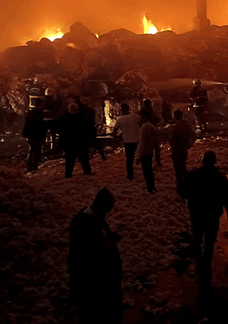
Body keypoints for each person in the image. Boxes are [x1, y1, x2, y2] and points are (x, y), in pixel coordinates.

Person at [180, 151, 228, 290]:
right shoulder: (221, 177)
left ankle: (199, 266)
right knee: (209, 242)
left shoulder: (193, 175)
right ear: (214, 161)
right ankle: (207, 267)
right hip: (213, 214)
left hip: (197, 213)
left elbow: (183, 192)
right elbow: (226, 196)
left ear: (203, 160)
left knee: (197, 239)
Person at [68, 188, 123, 323]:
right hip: (94, 288)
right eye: (108, 209)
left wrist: (111, 236)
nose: (108, 213)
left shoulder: (96, 219)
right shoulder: (84, 225)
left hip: (104, 283)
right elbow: (84, 259)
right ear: (100, 205)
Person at [58, 103, 93, 178]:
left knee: (70, 159)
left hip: (69, 143)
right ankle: (87, 171)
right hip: (81, 142)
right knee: (84, 158)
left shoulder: (64, 119)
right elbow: (87, 131)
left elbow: (60, 131)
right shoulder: (82, 119)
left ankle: (68, 173)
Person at [169, 109, 196, 194]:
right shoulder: (187, 125)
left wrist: (172, 151)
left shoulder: (175, 127)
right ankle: (187, 184)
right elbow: (194, 136)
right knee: (183, 167)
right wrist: (189, 145)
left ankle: (181, 188)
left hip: (177, 150)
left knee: (178, 170)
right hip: (184, 149)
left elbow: (172, 140)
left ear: (175, 116)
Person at [112, 103, 141, 180]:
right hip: (137, 140)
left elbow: (114, 132)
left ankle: (130, 175)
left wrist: (117, 139)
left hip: (127, 141)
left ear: (121, 110)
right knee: (141, 156)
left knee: (129, 159)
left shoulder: (120, 120)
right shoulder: (136, 117)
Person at [135, 109, 161, 194]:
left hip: (145, 152)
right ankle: (152, 186)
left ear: (143, 117)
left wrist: (138, 156)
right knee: (149, 170)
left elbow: (142, 143)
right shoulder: (150, 126)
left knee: (147, 171)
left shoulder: (144, 128)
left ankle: (150, 188)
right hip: (150, 151)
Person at [22, 108, 46, 172]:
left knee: (31, 150)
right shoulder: (39, 115)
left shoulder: (29, 114)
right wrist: (43, 138)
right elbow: (41, 127)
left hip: (31, 135)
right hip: (37, 136)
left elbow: (26, 125)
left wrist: (26, 134)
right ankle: (34, 166)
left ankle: (29, 166)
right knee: (36, 151)